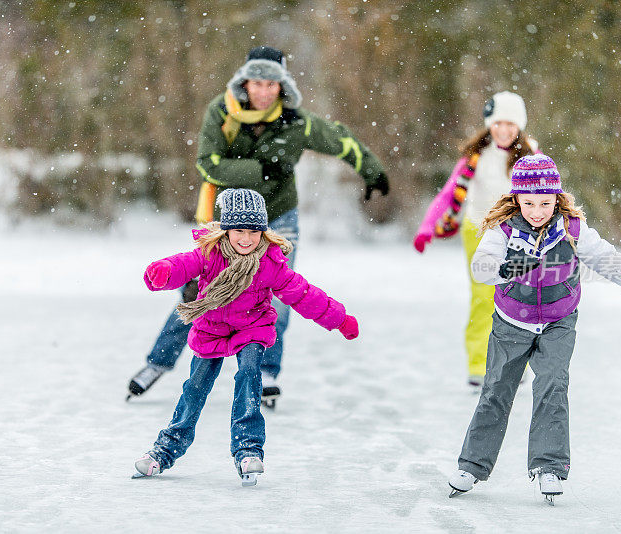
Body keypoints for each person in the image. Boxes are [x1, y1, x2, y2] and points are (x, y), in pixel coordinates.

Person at [127, 45, 388, 406]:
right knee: (200, 293)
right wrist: (260, 170)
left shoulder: (298, 122)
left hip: (278, 217)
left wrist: (372, 171)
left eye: (271, 84)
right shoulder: (222, 112)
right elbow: (208, 163)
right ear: (244, 82)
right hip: (226, 220)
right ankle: (157, 363)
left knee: (279, 294)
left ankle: (266, 371)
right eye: (257, 83)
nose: (264, 91)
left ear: (282, 86)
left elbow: (341, 139)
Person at [446, 154, 621, 503]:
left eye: (544, 202)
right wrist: (514, 265)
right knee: (496, 391)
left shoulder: (572, 230)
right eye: (528, 203)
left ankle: (549, 466)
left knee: (553, 387)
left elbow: (607, 259)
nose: (537, 210)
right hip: (511, 323)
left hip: (558, 321)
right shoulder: (503, 230)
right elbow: (482, 268)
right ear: (516, 200)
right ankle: (472, 466)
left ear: (557, 198)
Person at [132, 188, 359, 485]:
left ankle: (248, 449)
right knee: (195, 388)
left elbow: (303, 293)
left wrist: (338, 319)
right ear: (226, 230)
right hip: (210, 328)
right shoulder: (210, 254)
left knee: (250, 375)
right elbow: (182, 264)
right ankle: (165, 449)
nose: (246, 238)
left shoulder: (269, 262)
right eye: (239, 229)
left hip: (251, 328)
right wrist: (162, 271)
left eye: (254, 231)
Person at [413, 91, 536, 388]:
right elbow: (448, 193)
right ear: (489, 125)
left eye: (510, 124)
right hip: (478, 232)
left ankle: (516, 364)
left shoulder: (531, 157)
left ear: (519, 126)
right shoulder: (475, 157)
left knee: (520, 298)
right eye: (498, 124)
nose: (504, 130)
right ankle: (479, 364)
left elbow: (548, 197)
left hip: (518, 233)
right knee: (484, 297)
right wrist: (427, 228)